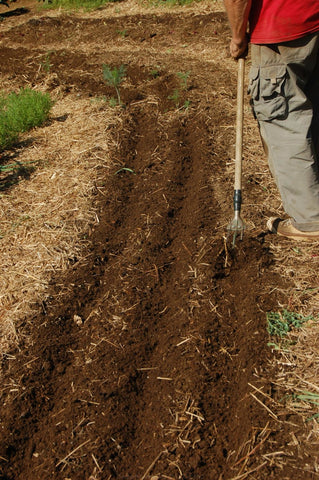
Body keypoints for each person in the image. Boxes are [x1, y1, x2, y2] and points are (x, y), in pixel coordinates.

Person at [223, 0, 319, 241]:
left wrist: (237, 36)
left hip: (281, 29)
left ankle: (310, 220)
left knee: (284, 120)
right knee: (312, 109)